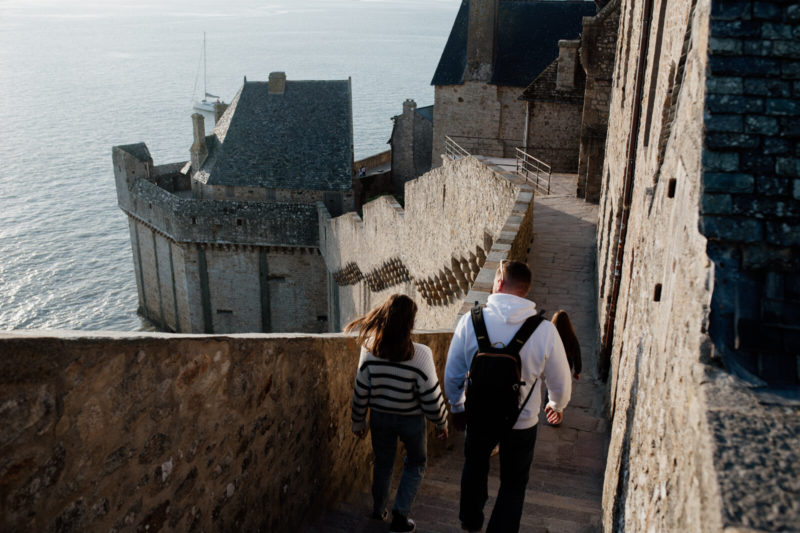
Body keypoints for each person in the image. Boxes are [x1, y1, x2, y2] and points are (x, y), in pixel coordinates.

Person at [444, 260, 572, 533]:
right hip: (521, 422)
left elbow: (453, 372)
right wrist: (556, 405)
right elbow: (560, 381)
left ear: (499, 283)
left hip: (478, 416)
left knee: (475, 467)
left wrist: (456, 406)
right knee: (514, 484)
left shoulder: (471, 321)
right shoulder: (545, 330)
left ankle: (470, 521)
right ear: (525, 290)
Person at [349, 294, 449, 533]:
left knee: (383, 463)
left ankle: (379, 509)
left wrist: (358, 421)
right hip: (411, 420)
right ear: (410, 324)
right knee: (416, 463)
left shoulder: (369, 349)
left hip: (381, 417)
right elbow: (432, 397)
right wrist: (441, 423)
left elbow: (361, 389)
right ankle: (400, 517)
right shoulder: (420, 355)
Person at [552, 310, 582, 380]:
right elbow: (577, 356)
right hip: (566, 369)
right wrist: (577, 372)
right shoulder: (572, 338)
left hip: (553, 369)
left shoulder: (551, 336)